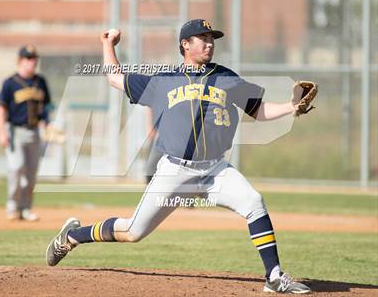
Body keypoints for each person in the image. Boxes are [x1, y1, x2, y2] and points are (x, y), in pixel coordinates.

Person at [46, 19, 311, 294]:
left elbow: (258, 110)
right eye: (202, 38)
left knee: (254, 202)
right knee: (133, 231)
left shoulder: (227, 77)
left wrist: (291, 107)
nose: (209, 43)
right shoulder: (163, 81)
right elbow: (114, 77)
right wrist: (107, 44)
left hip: (215, 170)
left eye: (212, 38)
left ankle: (274, 276)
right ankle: (72, 236)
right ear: (185, 44)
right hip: (175, 171)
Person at [0, 45, 51, 221]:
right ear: (20, 60)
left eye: (34, 58)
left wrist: (47, 124)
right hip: (15, 131)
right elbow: (1, 109)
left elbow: (45, 107)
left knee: (31, 173)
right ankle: (12, 207)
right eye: (28, 58)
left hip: (34, 132)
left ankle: (26, 208)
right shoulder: (10, 83)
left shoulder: (40, 81)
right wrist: (2, 132)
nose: (32, 61)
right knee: (16, 167)